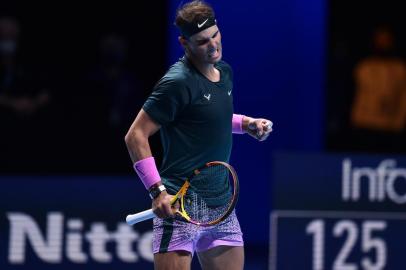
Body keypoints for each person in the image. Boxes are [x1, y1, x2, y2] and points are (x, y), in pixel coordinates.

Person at [124, 1, 272, 269]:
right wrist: (157, 191)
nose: (213, 45)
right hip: (179, 205)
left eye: (215, 35)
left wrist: (246, 124)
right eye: (202, 41)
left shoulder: (224, 72)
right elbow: (135, 136)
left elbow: (207, 117)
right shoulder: (177, 82)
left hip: (221, 205)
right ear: (184, 43)